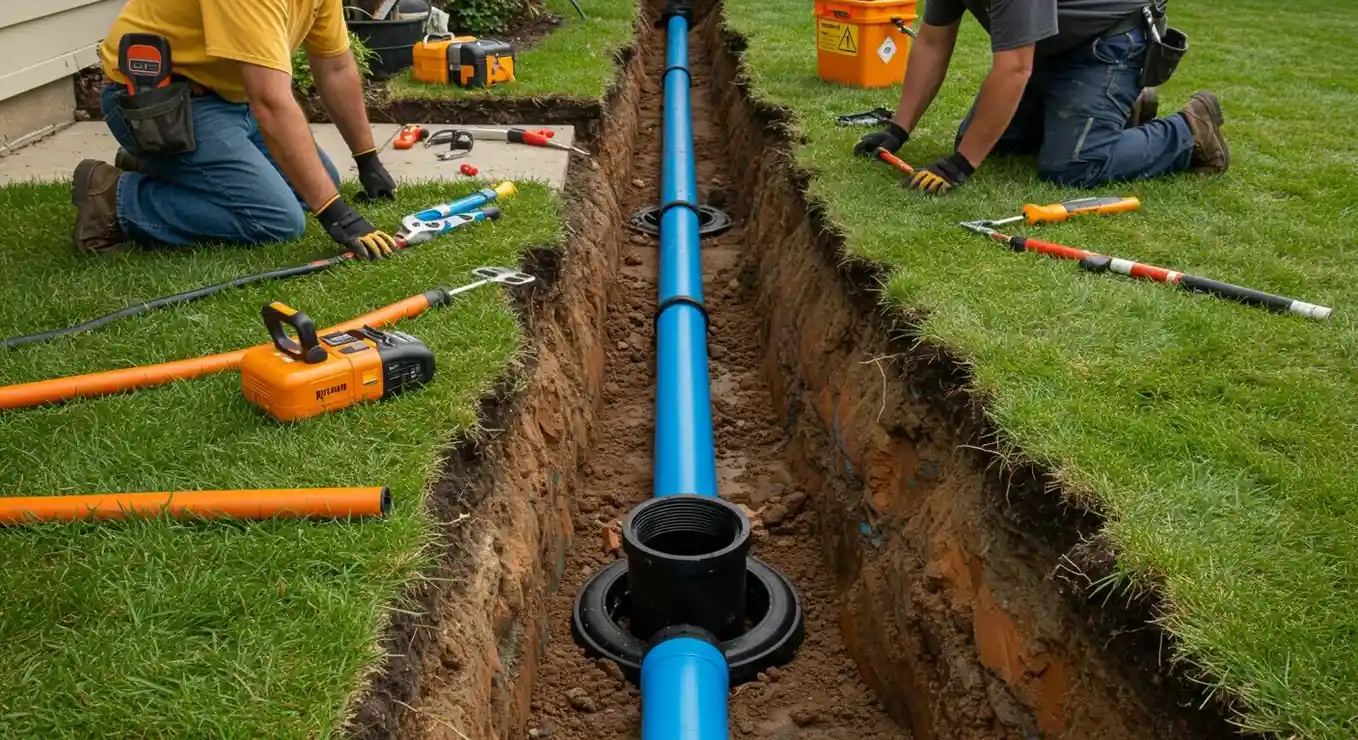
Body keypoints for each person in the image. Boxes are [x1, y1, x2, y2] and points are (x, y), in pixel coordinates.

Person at [72, 0, 399, 259]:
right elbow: (270, 102)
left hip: (226, 98)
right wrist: (336, 214)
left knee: (317, 184)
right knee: (276, 221)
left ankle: (166, 167)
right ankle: (115, 199)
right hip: (161, 101)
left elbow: (336, 68)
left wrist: (368, 159)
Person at [854, 0, 1228, 194]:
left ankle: (1189, 131)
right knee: (991, 145)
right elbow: (933, 42)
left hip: (1109, 42)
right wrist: (898, 130)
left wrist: (960, 166)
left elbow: (1015, 69)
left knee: (1073, 166)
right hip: (1048, 46)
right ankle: (1108, 112)